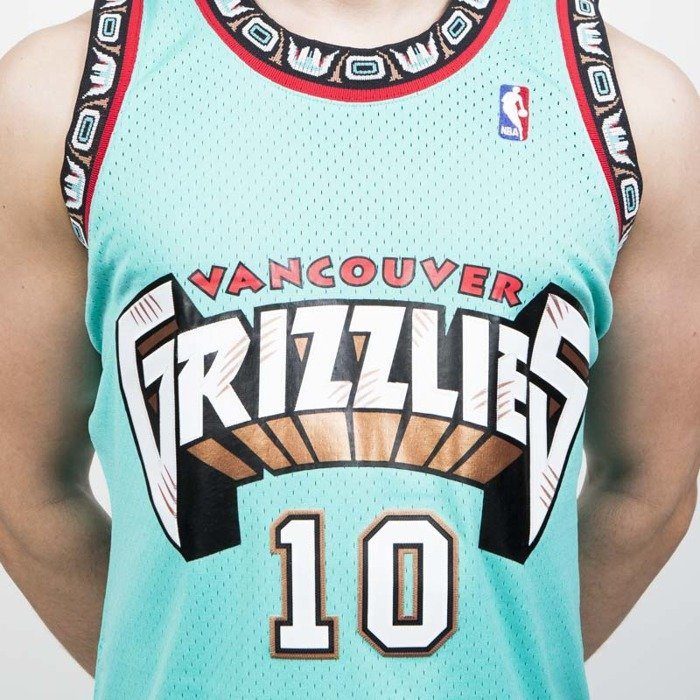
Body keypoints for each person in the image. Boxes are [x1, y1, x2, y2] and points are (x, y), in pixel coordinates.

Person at [0, 0, 697, 697]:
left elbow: (651, 492)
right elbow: (21, 493)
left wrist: (497, 659)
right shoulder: (65, 93)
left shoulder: (631, 108)